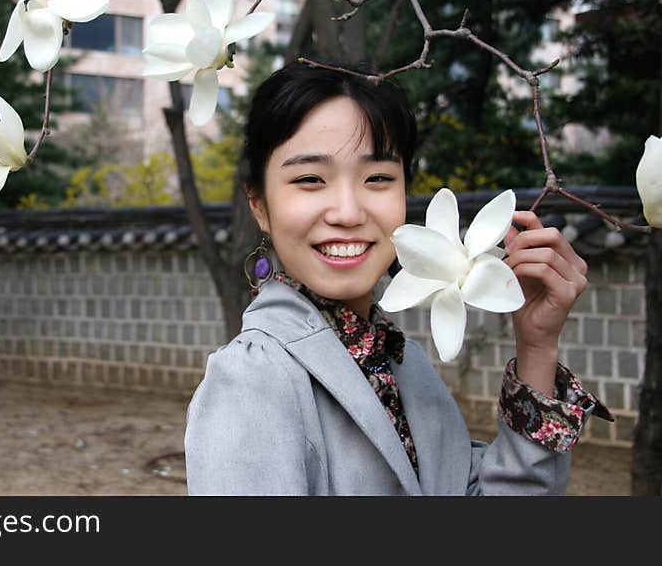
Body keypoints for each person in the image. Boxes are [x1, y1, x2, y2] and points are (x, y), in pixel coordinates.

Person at [184, 60, 612, 495]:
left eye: (378, 178)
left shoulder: (402, 364)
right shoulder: (252, 378)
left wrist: (537, 346)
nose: (348, 213)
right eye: (310, 179)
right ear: (259, 204)